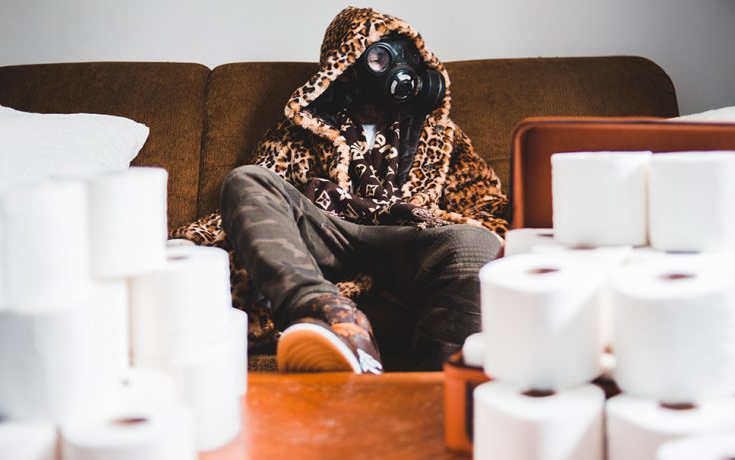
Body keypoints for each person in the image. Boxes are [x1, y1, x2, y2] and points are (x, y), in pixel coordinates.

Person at [173, 6, 508, 373]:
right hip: (328, 234)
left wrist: (436, 221)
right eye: (379, 57)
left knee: (478, 242)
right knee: (245, 179)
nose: (397, 69)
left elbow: (487, 207)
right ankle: (324, 311)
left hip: (406, 241)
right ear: (344, 69)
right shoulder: (300, 129)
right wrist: (191, 244)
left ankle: (437, 385)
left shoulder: (441, 134)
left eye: (405, 58)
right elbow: (258, 202)